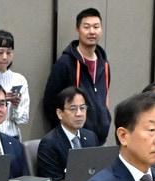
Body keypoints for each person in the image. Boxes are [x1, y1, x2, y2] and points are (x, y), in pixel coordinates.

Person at [43, 8, 112, 143]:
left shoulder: (104, 64)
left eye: (96, 27)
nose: (92, 31)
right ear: (78, 29)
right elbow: (50, 102)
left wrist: (106, 119)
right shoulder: (65, 63)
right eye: (86, 27)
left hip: (99, 139)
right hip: (74, 140)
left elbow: (105, 95)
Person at [35, 86, 99, 180]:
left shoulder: (91, 137)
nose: (79, 114)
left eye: (82, 108)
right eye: (73, 109)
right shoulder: (49, 144)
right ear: (60, 113)